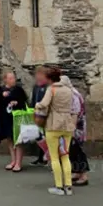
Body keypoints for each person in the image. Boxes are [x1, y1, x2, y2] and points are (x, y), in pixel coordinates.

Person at [34, 66, 79, 196]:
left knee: (54, 157)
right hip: (67, 125)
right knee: (65, 156)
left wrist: (37, 105)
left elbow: (44, 104)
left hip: (54, 125)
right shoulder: (69, 90)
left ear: (49, 78)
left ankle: (59, 186)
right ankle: (68, 186)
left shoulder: (52, 89)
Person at [0, 71, 29, 172]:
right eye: (11, 78)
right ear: (5, 80)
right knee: (10, 139)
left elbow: (24, 101)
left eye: (14, 78)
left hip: (16, 118)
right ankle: (13, 161)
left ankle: (18, 163)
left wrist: (16, 102)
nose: (13, 80)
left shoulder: (18, 90)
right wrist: (2, 95)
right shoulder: (1, 89)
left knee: (18, 140)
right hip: (5, 118)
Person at [62, 76, 90, 186]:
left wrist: (72, 129)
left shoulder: (73, 95)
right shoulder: (70, 93)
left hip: (76, 127)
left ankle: (83, 175)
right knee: (72, 150)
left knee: (77, 150)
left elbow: (75, 112)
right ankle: (77, 172)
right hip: (74, 125)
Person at [29, 66, 51, 166]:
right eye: (37, 74)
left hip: (46, 115)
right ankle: (41, 157)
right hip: (37, 114)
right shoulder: (36, 87)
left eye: (40, 74)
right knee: (39, 136)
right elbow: (33, 100)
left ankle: (48, 158)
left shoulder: (48, 87)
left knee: (47, 136)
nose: (38, 76)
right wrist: (32, 110)